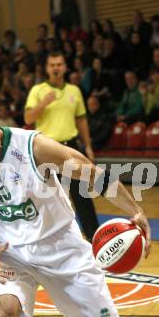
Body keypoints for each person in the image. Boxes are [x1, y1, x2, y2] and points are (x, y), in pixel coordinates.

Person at [0, 89, 159, 317]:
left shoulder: (32, 147)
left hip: (63, 248)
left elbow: (92, 174)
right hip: (10, 252)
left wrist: (136, 210)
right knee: (3, 316)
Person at [24, 51, 99, 241]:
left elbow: (81, 121)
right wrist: (43, 104)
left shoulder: (74, 90)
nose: (56, 68)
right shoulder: (38, 90)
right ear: (47, 68)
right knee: (47, 197)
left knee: (82, 196)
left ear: (65, 67)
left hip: (71, 148)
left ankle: (94, 238)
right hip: (46, 150)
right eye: (52, 65)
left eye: (59, 64)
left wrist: (88, 146)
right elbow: (28, 118)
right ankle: (47, 240)